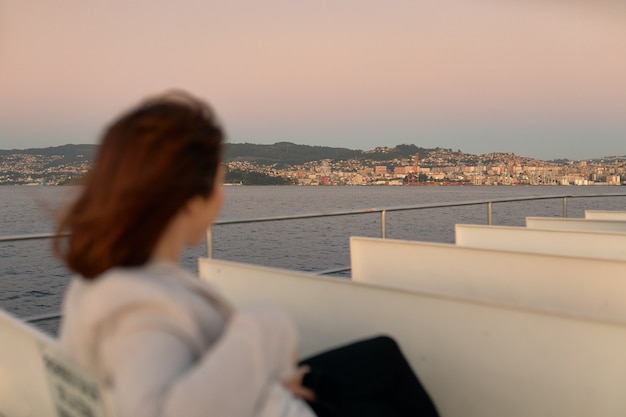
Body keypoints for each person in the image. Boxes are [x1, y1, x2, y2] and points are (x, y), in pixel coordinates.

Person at [55, 91, 439, 417]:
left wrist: (266, 376)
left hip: (259, 395)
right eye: (219, 183)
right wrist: (266, 326)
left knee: (379, 356)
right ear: (191, 200)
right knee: (387, 377)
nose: (222, 198)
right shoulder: (136, 306)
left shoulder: (107, 282)